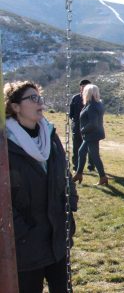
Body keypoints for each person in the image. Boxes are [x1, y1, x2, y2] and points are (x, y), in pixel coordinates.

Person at [5, 80, 78, 292]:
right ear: (15, 106)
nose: (40, 103)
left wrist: (70, 203)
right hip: (26, 243)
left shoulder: (50, 134)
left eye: (40, 98)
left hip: (57, 235)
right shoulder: (5, 144)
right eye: (32, 98)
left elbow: (64, 171)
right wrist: (21, 230)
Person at [72, 84, 108, 186]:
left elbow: (93, 123)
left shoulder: (92, 105)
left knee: (94, 156)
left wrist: (82, 130)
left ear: (88, 93)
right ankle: (79, 174)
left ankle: (103, 177)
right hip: (92, 134)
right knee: (81, 152)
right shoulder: (97, 103)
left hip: (92, 135)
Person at [69, 79, 94, 172]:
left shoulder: (93, 98)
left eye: (86, 86)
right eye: (82, 86)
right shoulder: (75, 98)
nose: (83, 88)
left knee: (91, 148)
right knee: (76, 147)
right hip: (77, 127)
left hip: (90, 127)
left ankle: (91, 166)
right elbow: (71, 114)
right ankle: (76, 166)